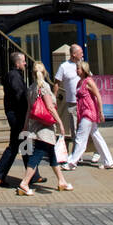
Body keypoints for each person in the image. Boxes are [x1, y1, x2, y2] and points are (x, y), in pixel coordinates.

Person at [16, 62, 72, 195]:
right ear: (44, 72)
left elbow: (29, 110)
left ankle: (61, 181)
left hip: (35, 125)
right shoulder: (44, 87)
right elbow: (50, 108)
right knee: (37, 155)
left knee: (52, 154)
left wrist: (25, 126)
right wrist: (60, 123)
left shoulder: (31, 88)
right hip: (45, 127)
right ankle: (24, 183)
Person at [0, 50, 44, 187]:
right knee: (15, 145)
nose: (26, 63)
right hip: (17, 115)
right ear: (18, 63)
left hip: (18, 114)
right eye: (24, 61)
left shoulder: (15, 75)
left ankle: (32, 175)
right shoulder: (14, 76)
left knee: (24, 145)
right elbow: (19, 94)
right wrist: (29, 105)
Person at [64, 61, 113, 170]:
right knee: (97, 137)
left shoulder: (89, 81)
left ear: (84, 70)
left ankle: (72, 162)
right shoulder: (79, 82)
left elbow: (98, 96)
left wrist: (101, 112)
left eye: (78, 68)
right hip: (83, 112)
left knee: (80, 138)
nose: (76, 70)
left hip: (89, 112)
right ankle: (109, 161)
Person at [54, 44, 85, 141]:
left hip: (84, 101)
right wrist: (53, 98)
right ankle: (77, 155)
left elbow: (90, 79)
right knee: (75, 130)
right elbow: (56, 83)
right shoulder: (64, 66)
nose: (83, 55)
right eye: (81, 53)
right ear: (74, 54)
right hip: (72, 103)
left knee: (87, 128)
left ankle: (95, 151)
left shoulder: (83, 65)